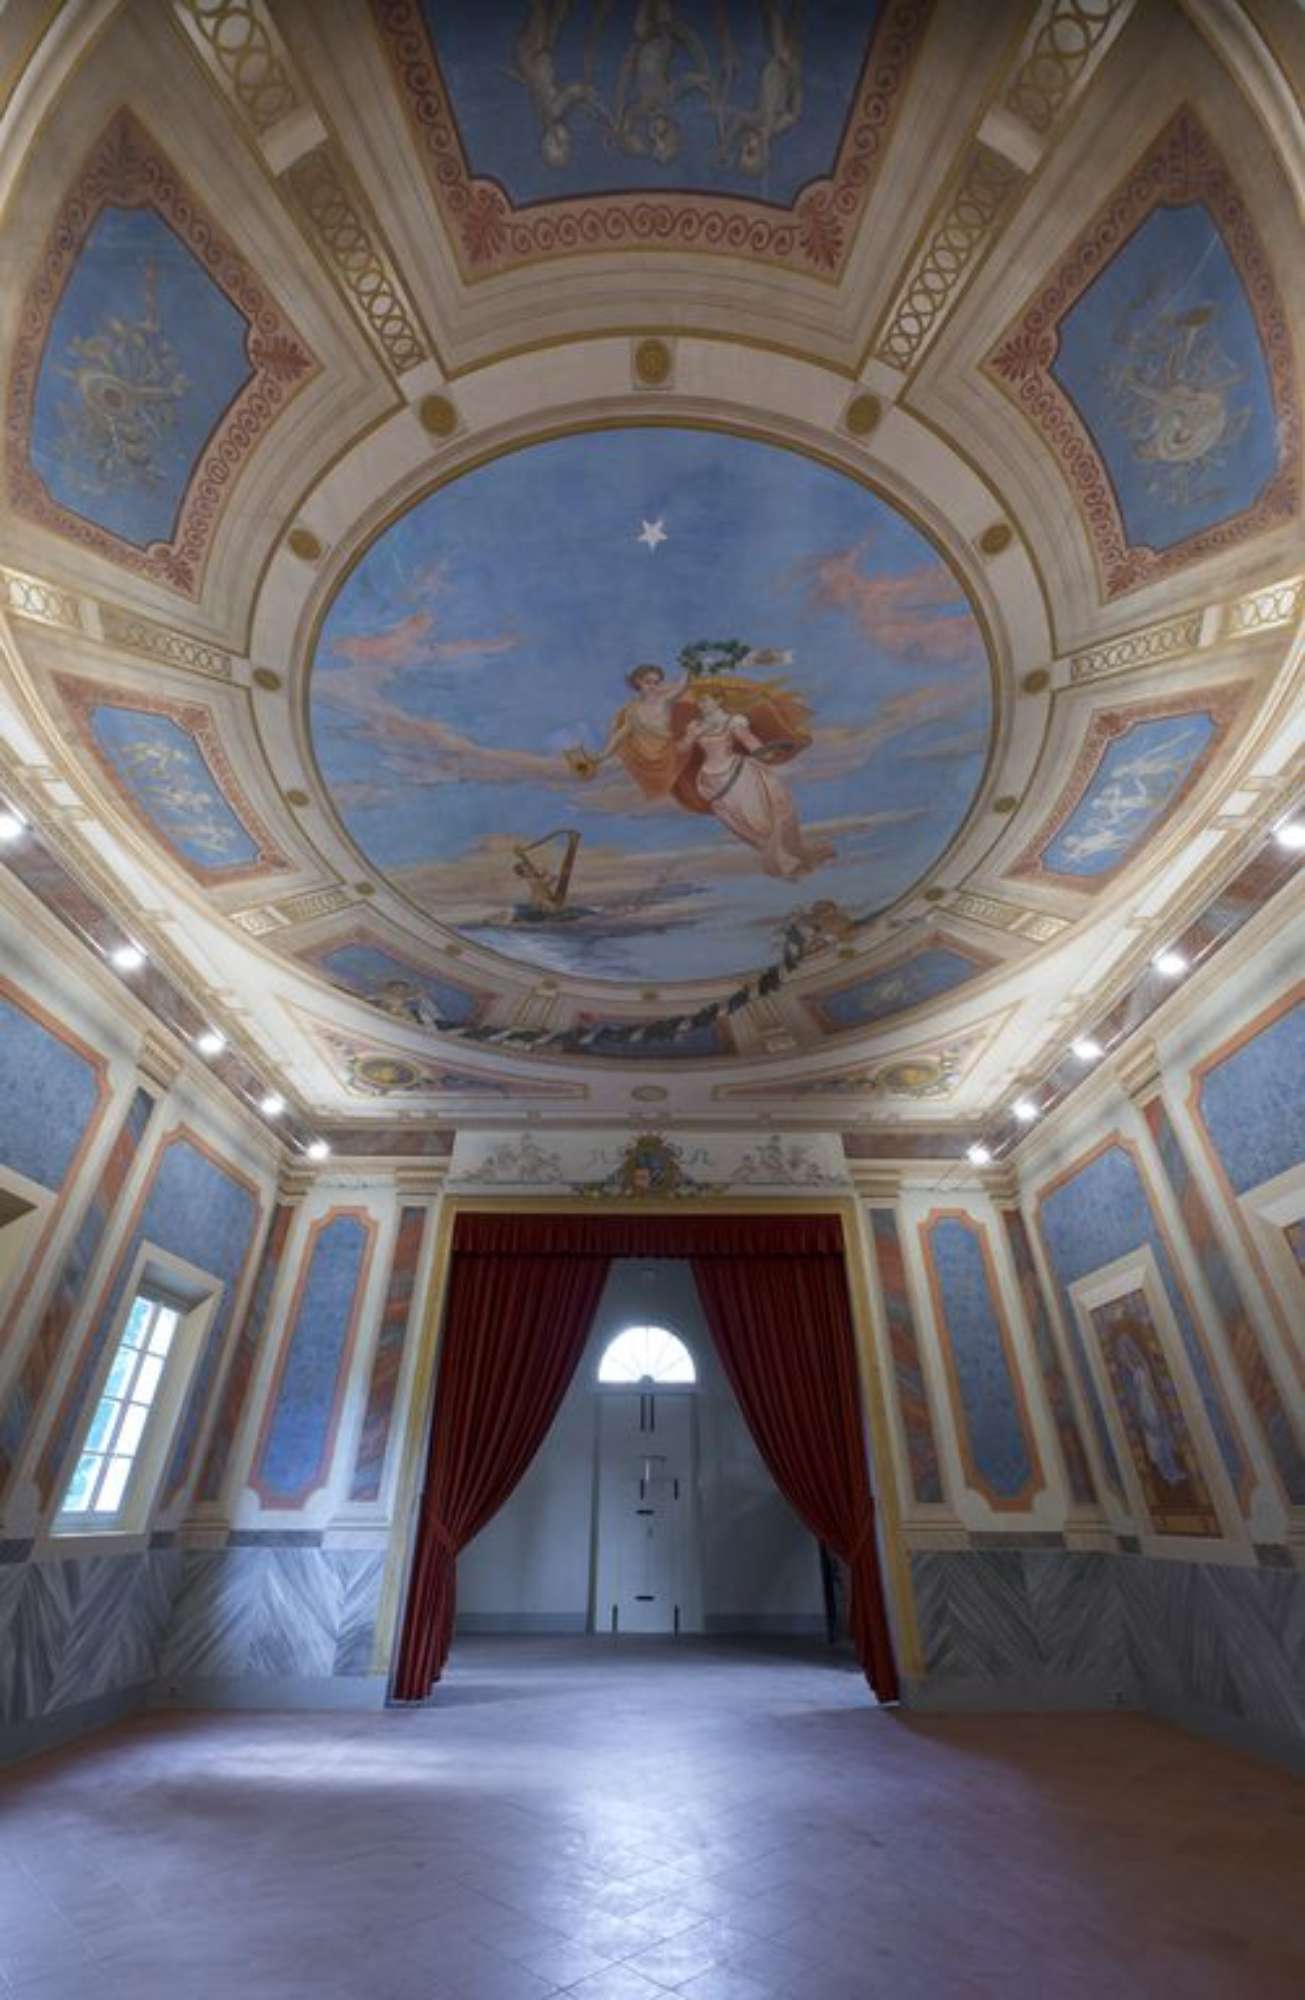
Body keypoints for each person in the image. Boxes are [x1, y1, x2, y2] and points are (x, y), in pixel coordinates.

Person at [678, 689, 833, 878]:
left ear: (718, 701)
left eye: (705, 700)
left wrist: (766, 753)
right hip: (711, 781)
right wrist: (690, 736)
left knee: (762, 815)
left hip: (738, 774)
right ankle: (782, 860)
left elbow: (749, 741)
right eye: (700, 701)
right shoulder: (696, 725)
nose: (701, 704)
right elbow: (682, 749)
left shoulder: (732, 721)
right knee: (742, 821)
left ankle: (788, 856)